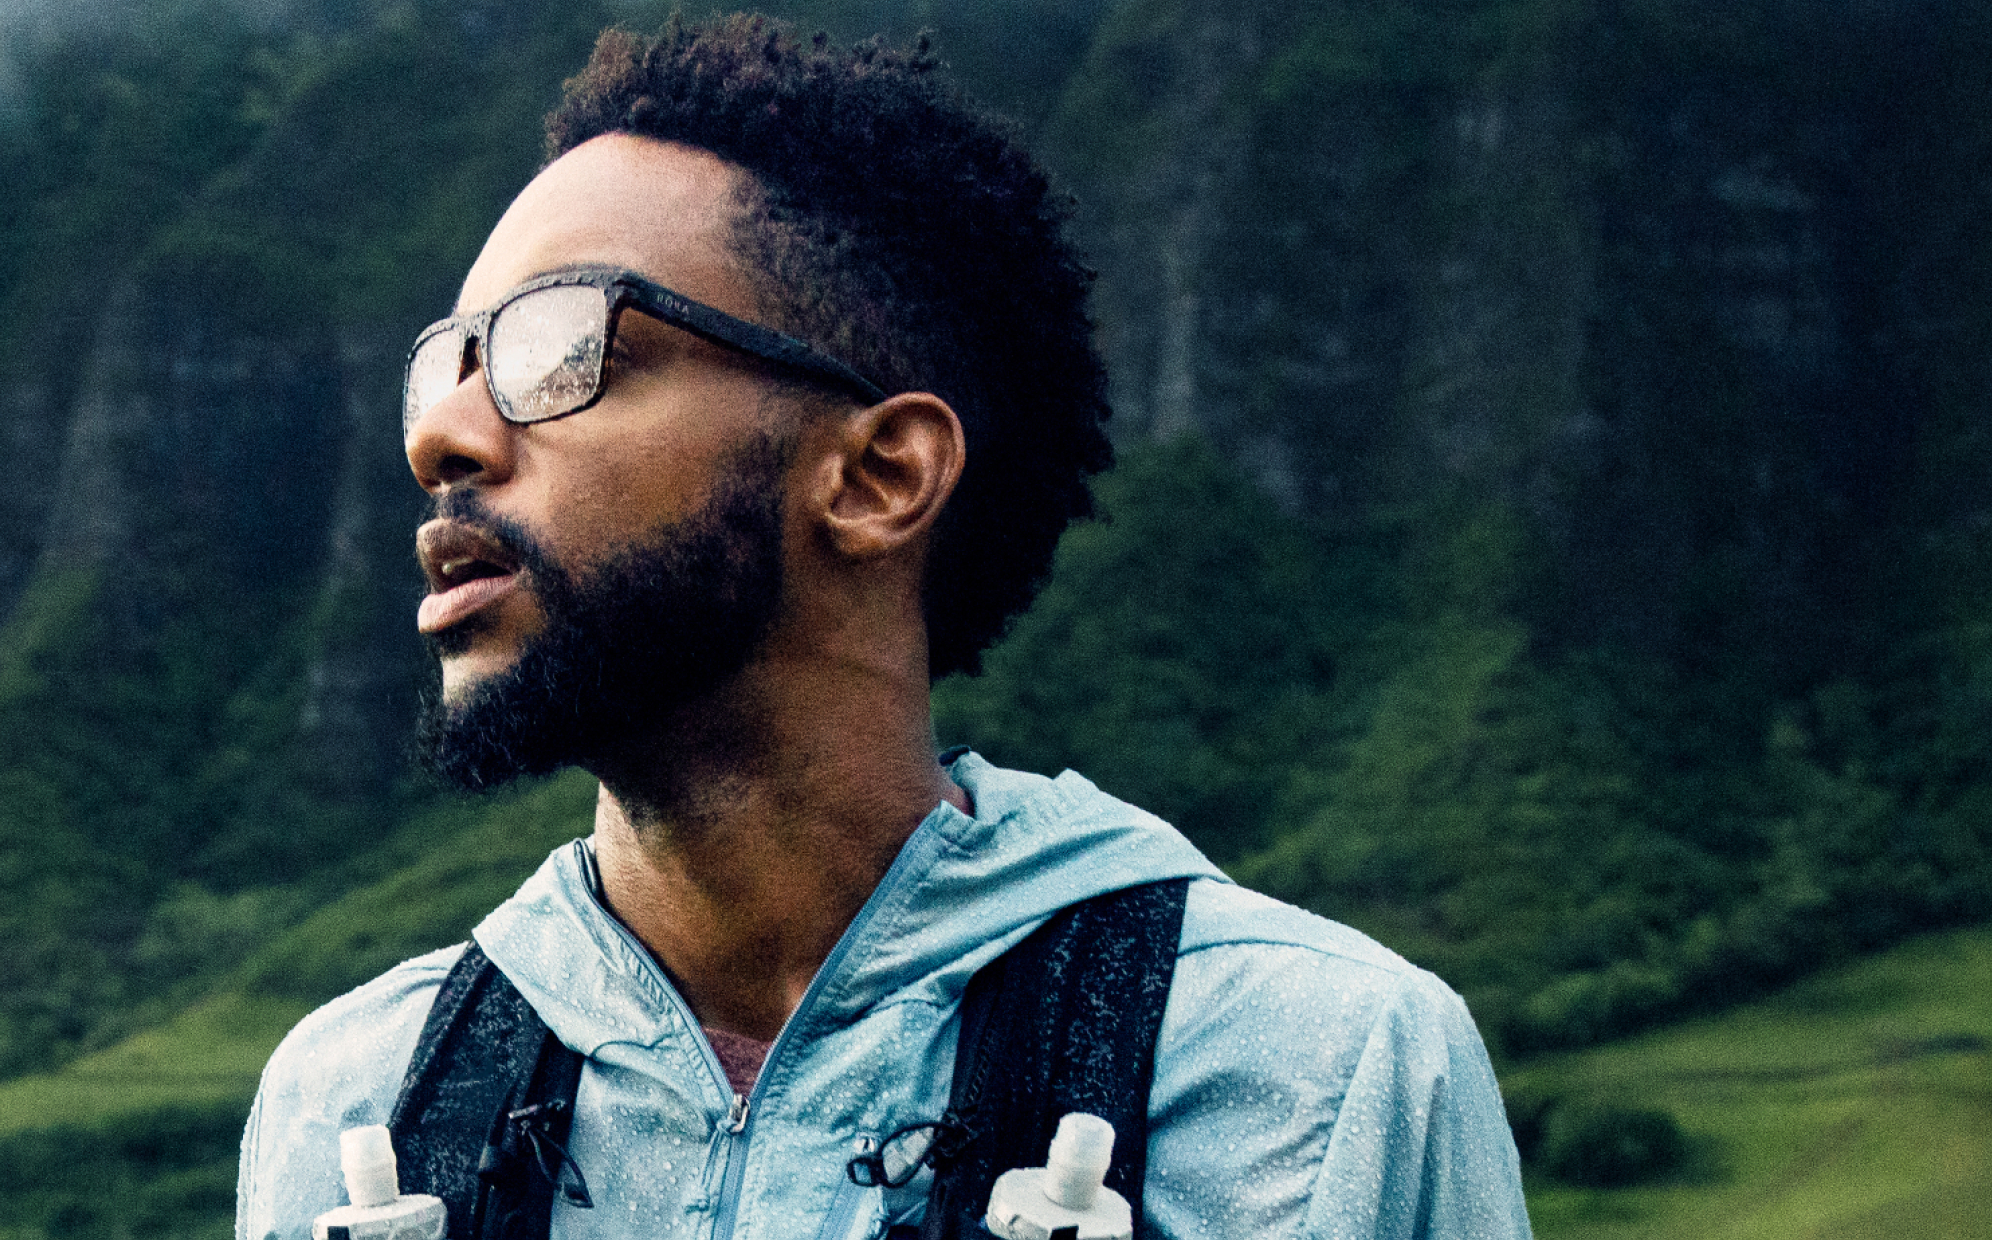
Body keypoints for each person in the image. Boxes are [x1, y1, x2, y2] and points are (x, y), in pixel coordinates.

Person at [236, 17, 1532, 1240]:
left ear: (879, 476)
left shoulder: (1322, 1077)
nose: (441, 436)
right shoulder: (354, 1110)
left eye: (563, 347)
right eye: (450, 361)